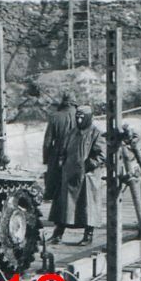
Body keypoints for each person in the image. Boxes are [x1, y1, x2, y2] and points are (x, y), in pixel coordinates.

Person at [48, 105, 105, 246]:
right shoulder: (72, 132)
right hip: (69, 175)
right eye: (77, 117)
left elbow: (101, 155)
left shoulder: (96, 133)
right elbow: (63, 149)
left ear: (88, 118)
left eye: (82, 118)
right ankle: (58, 234)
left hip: (87, 177)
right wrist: (61, 161)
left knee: (88, 206)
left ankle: (88, 235)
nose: (79, 120)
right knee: (64, 205)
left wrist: (88, 165)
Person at [42, 91, 77, 202]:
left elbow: (47, 142)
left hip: (57, 155)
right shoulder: (80, 115)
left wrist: (46, 159)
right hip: (76, 154)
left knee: (56, 186)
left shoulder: (55, 117)